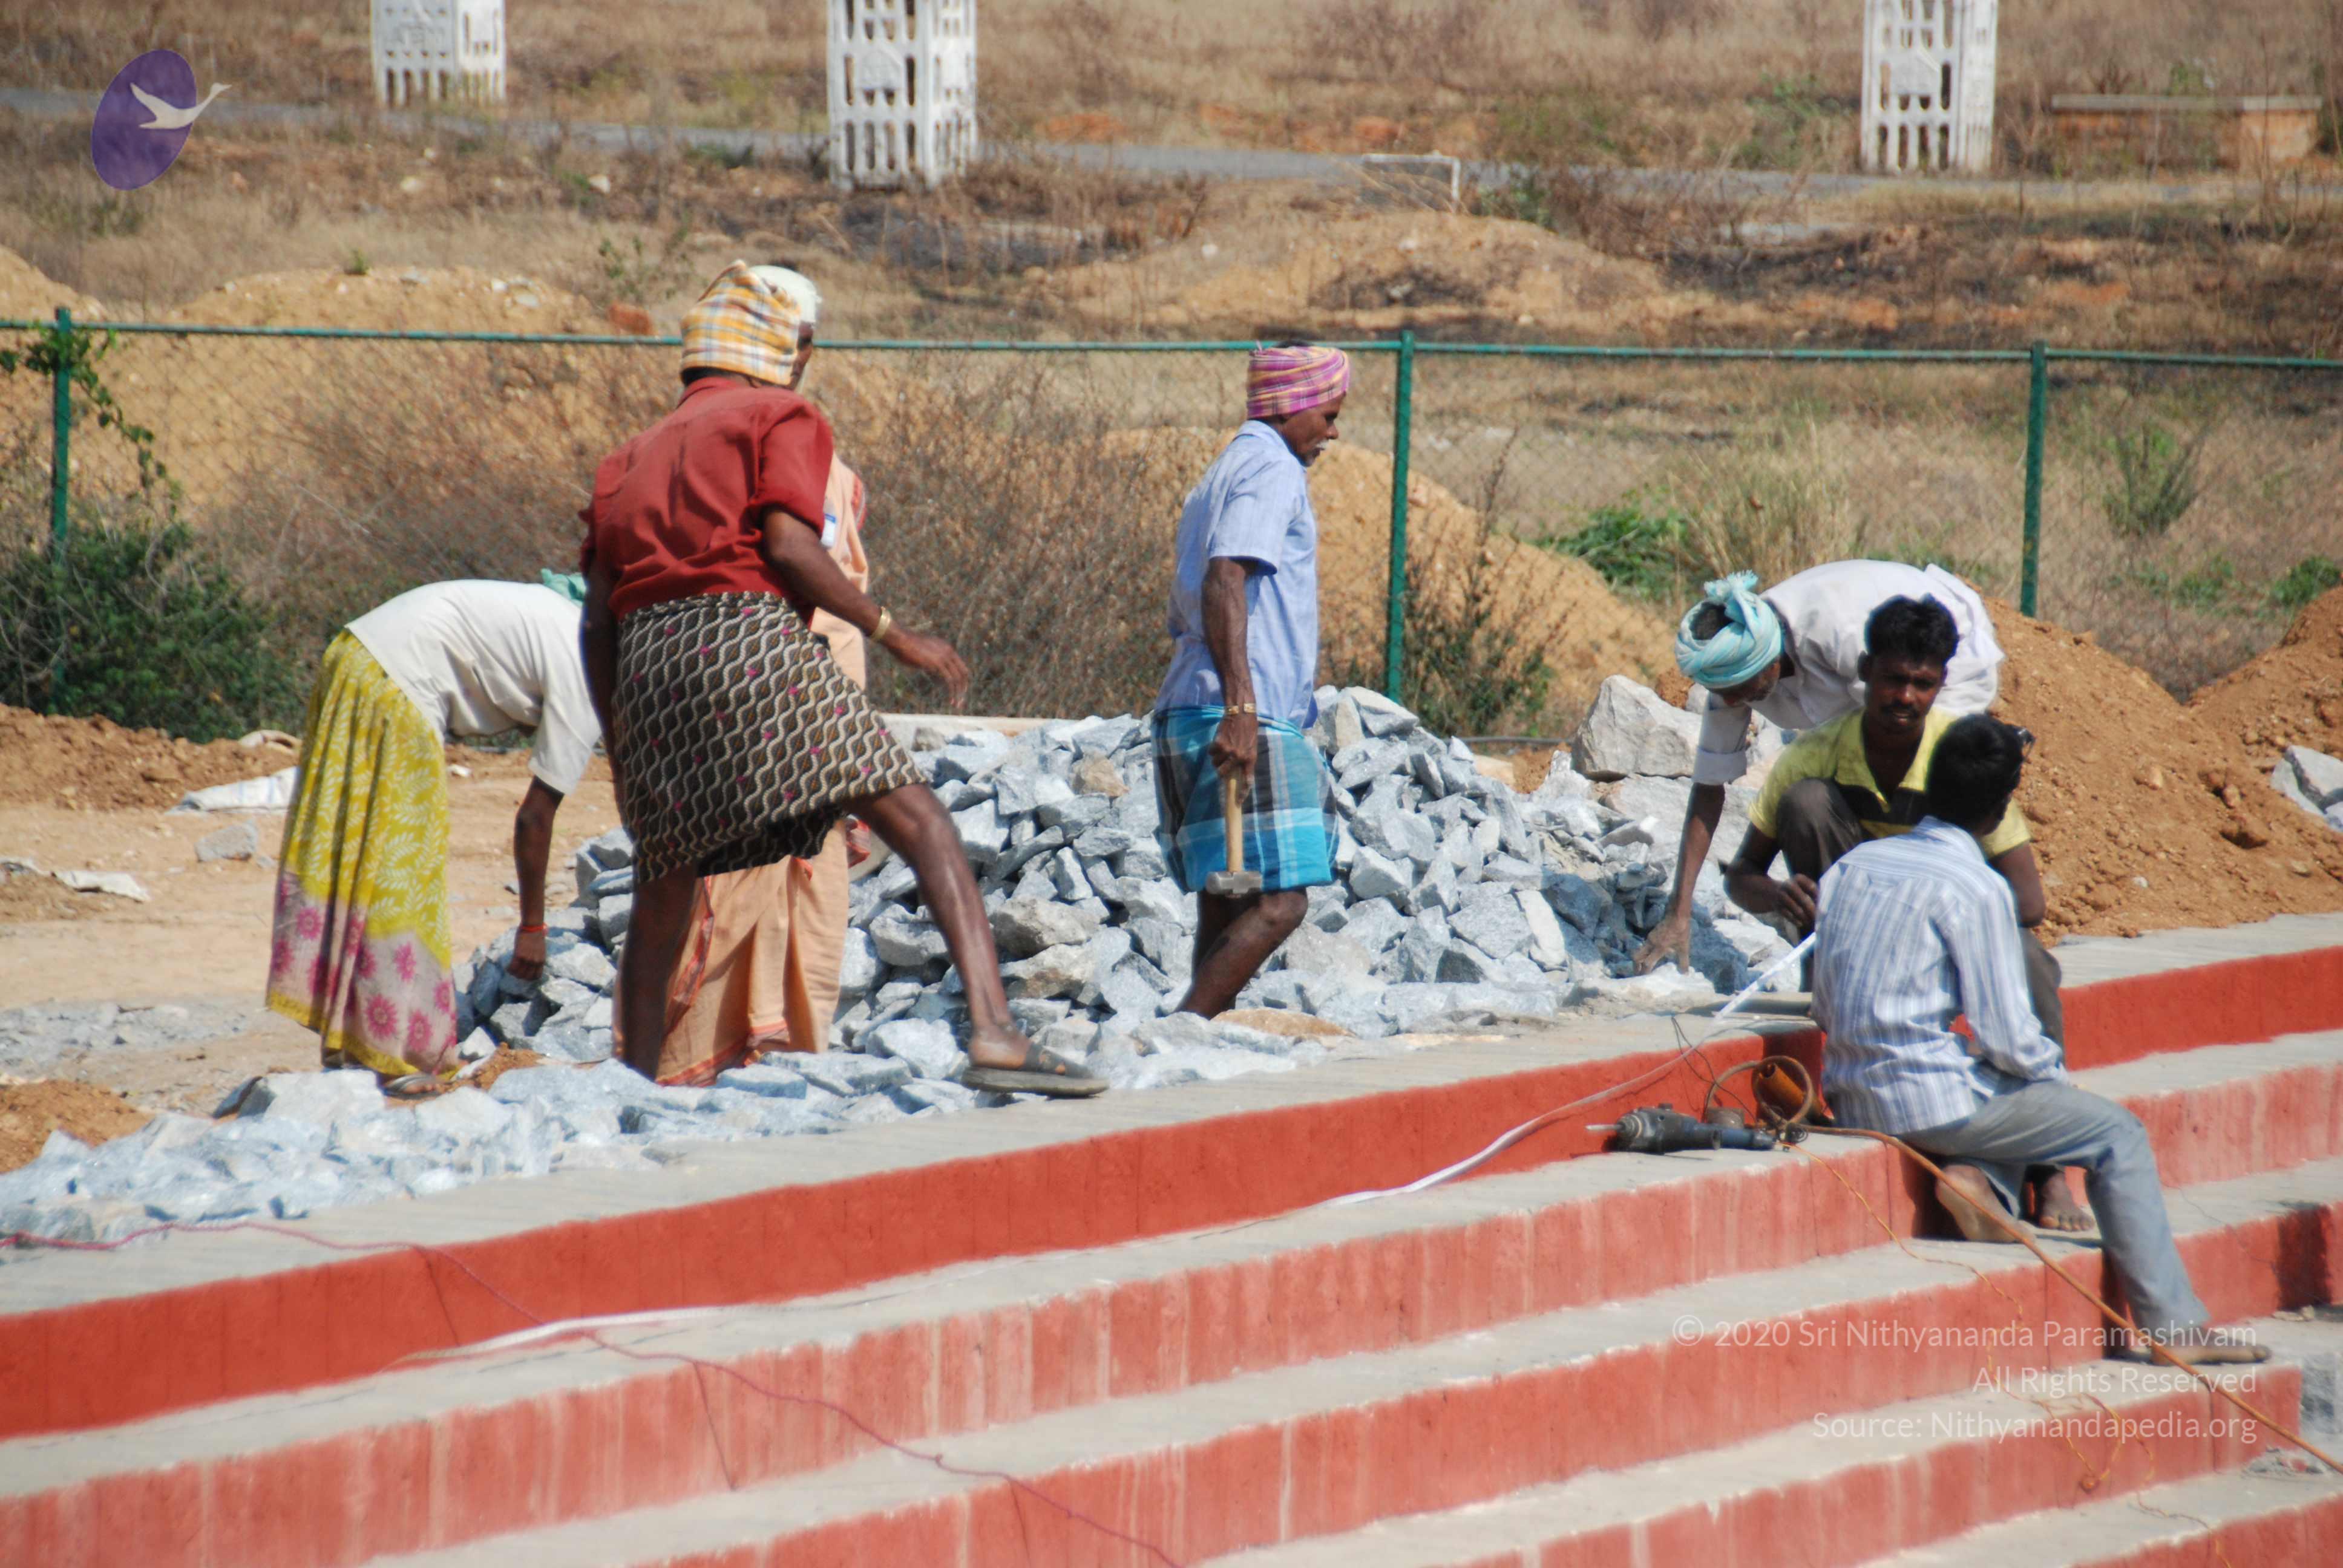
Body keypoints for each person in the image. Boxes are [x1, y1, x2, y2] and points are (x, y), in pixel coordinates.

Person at [578, 260, 1101, 1098]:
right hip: (748, 639)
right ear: (784, 347)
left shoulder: (626, 459)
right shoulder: (778, 414)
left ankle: (630, 1081)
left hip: (647, 667)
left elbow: (597, 624)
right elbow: (789, 546)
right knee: (921, 821)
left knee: (664, 883)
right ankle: (997, 1032)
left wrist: (626, 747)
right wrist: (892, 633)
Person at [1810, 714, 2266, 1365]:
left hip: (1851, 1096)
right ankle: (2173, 1329)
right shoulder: (1976, 887)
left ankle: (1984, 1184)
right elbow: (2009, 1039)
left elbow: (1823, 1007)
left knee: (2004, 1093)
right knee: (2115, 1134)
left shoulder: (1851, 866)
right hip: (1932, 1103)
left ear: (1929, 787)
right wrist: (2058, 1086)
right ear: (2001, 809)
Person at [1720, 593, 2088, 1233]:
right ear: (1865, 671)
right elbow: (1740, 876)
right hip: (1858, 944)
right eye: (1892, 679)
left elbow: (2029, 903)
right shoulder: (1815, 752)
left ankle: (2047, 1167)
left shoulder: (1957, 753)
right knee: (1806, 803)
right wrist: (1777, 896)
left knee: (2031, 961)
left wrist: (1942, 898)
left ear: (1940, 684)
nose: (1904, 698)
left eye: (1922, 684)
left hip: (1943, 934)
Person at [658, 266, 878, 1085]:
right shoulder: (762, 443)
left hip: (793, 707)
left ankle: (776, 1061)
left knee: (800, 892)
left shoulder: (780, 447)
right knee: (736, 887)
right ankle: (700, 1064)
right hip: (764, 704)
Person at [268, 578, 599, 1080]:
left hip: (355, 654)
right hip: (400, 682)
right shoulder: (589, 674)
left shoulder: (568, 621)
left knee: (360, 848)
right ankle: (401, 1054)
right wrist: (533, 928)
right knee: (402, 870)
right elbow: (535, 815)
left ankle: (353, 1040)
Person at [1152, 343, 1348, 1018]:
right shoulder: (1271, 468)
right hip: (1240, 711)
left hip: (1193, 705)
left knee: (1227, 894)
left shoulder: (1228, 466)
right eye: (1327, 415)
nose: (1332, 433)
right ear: (1290, 408)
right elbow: (1225, 575)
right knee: (1280, 899)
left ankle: (1197, 1041)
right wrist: (1241, 708)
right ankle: (1186, 1028)